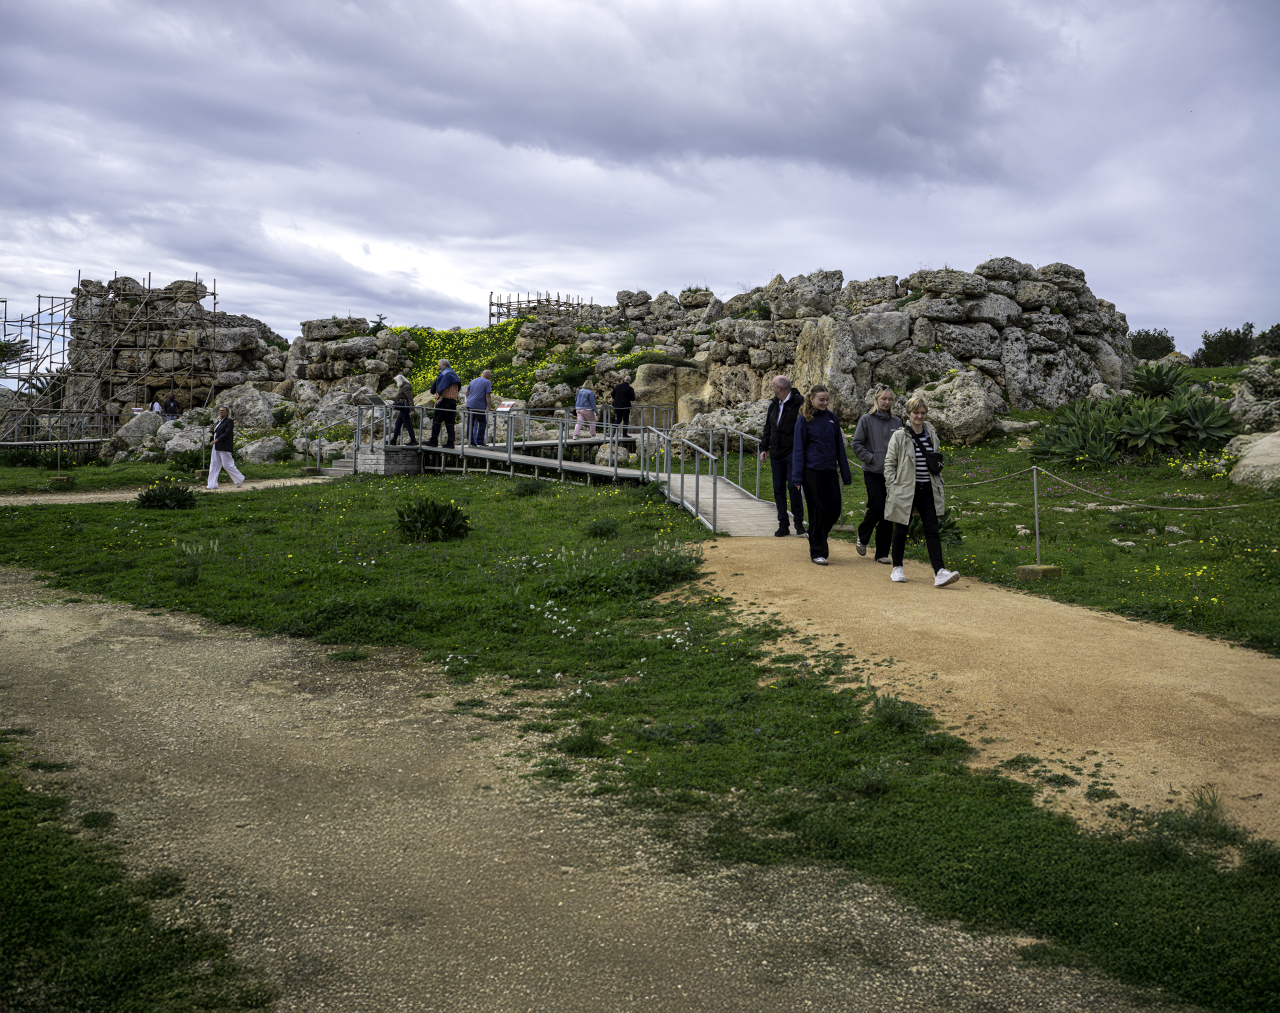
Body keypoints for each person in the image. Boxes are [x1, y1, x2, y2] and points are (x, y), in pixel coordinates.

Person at [883, 396, 960, 587]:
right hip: (906, 489)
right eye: (916, 413)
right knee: (902, 527)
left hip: (927, 488)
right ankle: (897, 567)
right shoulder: (899, 435)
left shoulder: (931, 433)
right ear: (909, 414)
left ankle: (939, 571)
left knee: (932, 529)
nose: (919, 416)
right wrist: (893, 487)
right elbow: (889, 463)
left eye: (923, 413)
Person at [789, 384, 851, 565]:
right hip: (811, 472)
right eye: (821, 400)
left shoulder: (832, 418)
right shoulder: (804, 420)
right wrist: (797, 477)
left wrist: (845, 474)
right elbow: (798, 449)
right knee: (817, 511)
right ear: (812, 399)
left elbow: (840, 447)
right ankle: (818, 551)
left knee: (833, 509)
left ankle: (815, 536)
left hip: (830, 470)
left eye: (826, 400)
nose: (824, 403)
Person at [851, 385, 902, 564]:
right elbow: (856, 444)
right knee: (878, 507)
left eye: (890, 399)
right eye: (883, 399)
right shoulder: (866, 419)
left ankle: (881, 553)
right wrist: (871, 458)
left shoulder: (897, 422)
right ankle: (863, 534)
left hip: (892, 474)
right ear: (876, 399)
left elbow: (901, 447)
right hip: (872, 471)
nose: (886, 402)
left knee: (889, 512)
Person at [758, 375, 806, 537]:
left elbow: (805, 426)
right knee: (778, 489)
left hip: (792, 452)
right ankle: (783, 524)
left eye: (773, 386)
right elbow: (768, 427)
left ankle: (799, 524)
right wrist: (764, 448)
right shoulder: (774, 405)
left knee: (794, 486)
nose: (772, 389)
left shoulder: (799, 403)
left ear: (779, 388)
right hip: (776, 453)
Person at [424, 359, 461, 448]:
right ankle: (450, 443)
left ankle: (433, 441)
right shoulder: (453, 373)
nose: (438, 366)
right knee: (450, 423)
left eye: (439, 365)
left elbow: (444, 386)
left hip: (444, 401)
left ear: (444, 365)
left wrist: (440, 398)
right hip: (453, 401)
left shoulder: (445, 374)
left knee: (437, 421)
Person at [207, 405, 244, 490]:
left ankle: (239, 479)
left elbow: (227, 433)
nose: (221, 412)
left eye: (223, 410)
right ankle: (212, 484)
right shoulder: (218, 422)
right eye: (220, 410)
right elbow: (215, 433)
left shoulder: (229, 421)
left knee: (227, 464)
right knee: (214, 465)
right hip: (216, 446)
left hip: (224, 445)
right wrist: (213, 431)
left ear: (227, 412)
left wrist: (216, 440)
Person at [464, 369, 494, 446]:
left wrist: (468, 400)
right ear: (487, 376)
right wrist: (490, 407)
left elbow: (466, 392)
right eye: (489, 377)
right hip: (479, 406)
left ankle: (471, 442)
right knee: (483, 423)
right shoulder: (487, 382)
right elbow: (487, 395)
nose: (489, 378)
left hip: (469, 405)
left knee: (470, 423)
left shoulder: (473, 380)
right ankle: (480, 441)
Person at [389, 373, 417, 446]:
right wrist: (394, 403)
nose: (396, 383)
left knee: (408, 424)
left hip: (405, 408)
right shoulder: (404, 386)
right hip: (403, 408)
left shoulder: (405, 387)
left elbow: (410, 398)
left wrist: (412, 409)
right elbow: (402, 399)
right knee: (398, 424)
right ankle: (394, 440)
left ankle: (413, 440)